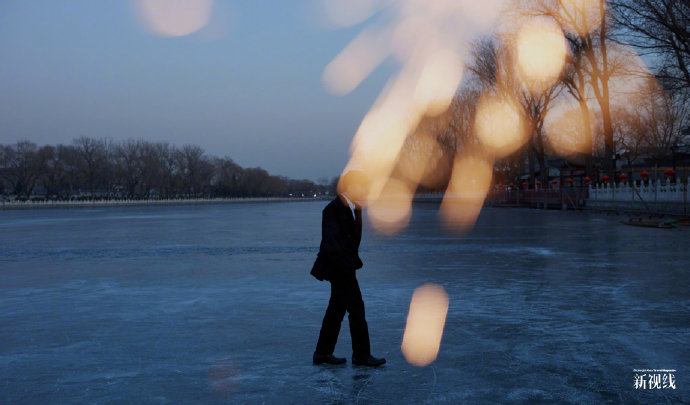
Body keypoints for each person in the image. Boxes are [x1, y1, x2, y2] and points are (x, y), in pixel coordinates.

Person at [310, 169, 386, 367]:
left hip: (345, 267)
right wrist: (344, 270)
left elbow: (350, 240)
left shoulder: (353, 207)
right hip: (340, 269)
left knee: (336, 310)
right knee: (357, 310)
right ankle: (361, 355)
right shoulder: (333, 209)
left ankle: (322, 352)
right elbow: (331, 243)